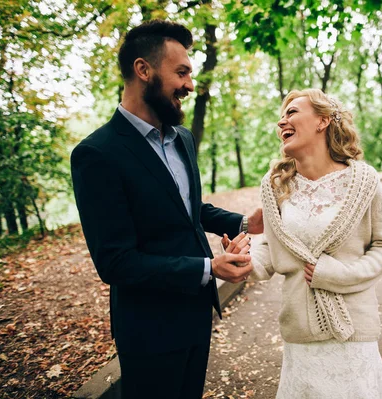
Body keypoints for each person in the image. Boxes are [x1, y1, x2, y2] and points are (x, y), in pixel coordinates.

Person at [70, 20, 262, 398]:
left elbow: (188, 209)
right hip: (149, 330)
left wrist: (245, 221)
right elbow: (116, 262)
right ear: (143, 70)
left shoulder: (183, 139)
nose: (190, 85)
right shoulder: (97, 155)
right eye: (181, 72)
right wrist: (210, 268)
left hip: (196, 315)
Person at [246, 88, 382, 398]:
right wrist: (245, 260)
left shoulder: (364, 180)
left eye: (292, 112)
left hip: (352, 334)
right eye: (281, 116)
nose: (282, 121)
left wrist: (338, 275)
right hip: (300, 334)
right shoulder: (275, 185)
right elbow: (269, 250)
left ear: (322, 121)